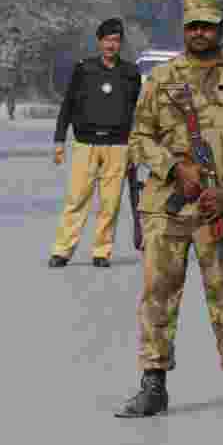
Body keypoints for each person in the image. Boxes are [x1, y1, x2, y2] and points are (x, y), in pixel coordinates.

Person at [114, 0, 223, 420]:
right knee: (157, 295)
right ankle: (153, 385)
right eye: (193, 25)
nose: (200, 32)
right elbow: (139, 138)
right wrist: (173, 169)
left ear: (221, 29)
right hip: (166, 209)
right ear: (184, 29)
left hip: (220, 210)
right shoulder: (161, 79)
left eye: (207, 25)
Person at [48, 18, 141, 268]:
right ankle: (62, 250)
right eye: (107, 40)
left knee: (110, 203)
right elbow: (67, 105)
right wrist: (59, 140)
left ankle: (102, 251)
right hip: (85, 144)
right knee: (76, 199)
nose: (111, 45)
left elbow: (138, 113)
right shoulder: (84, 69)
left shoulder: (131, 73)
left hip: (118, 145)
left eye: (116, 41)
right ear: (99, 42)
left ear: (120, 44)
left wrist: (137, 145)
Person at [0, 26, 21, 119]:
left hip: (12, 71)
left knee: (10, 93)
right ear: (10, 34)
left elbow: (19, 61)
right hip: (3, 70)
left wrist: (19, 73)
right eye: (14, 34)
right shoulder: (3, 44)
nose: (16, 36)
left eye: (17, 34)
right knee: (0, 91)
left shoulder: (18, 46)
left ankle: (10, 113)